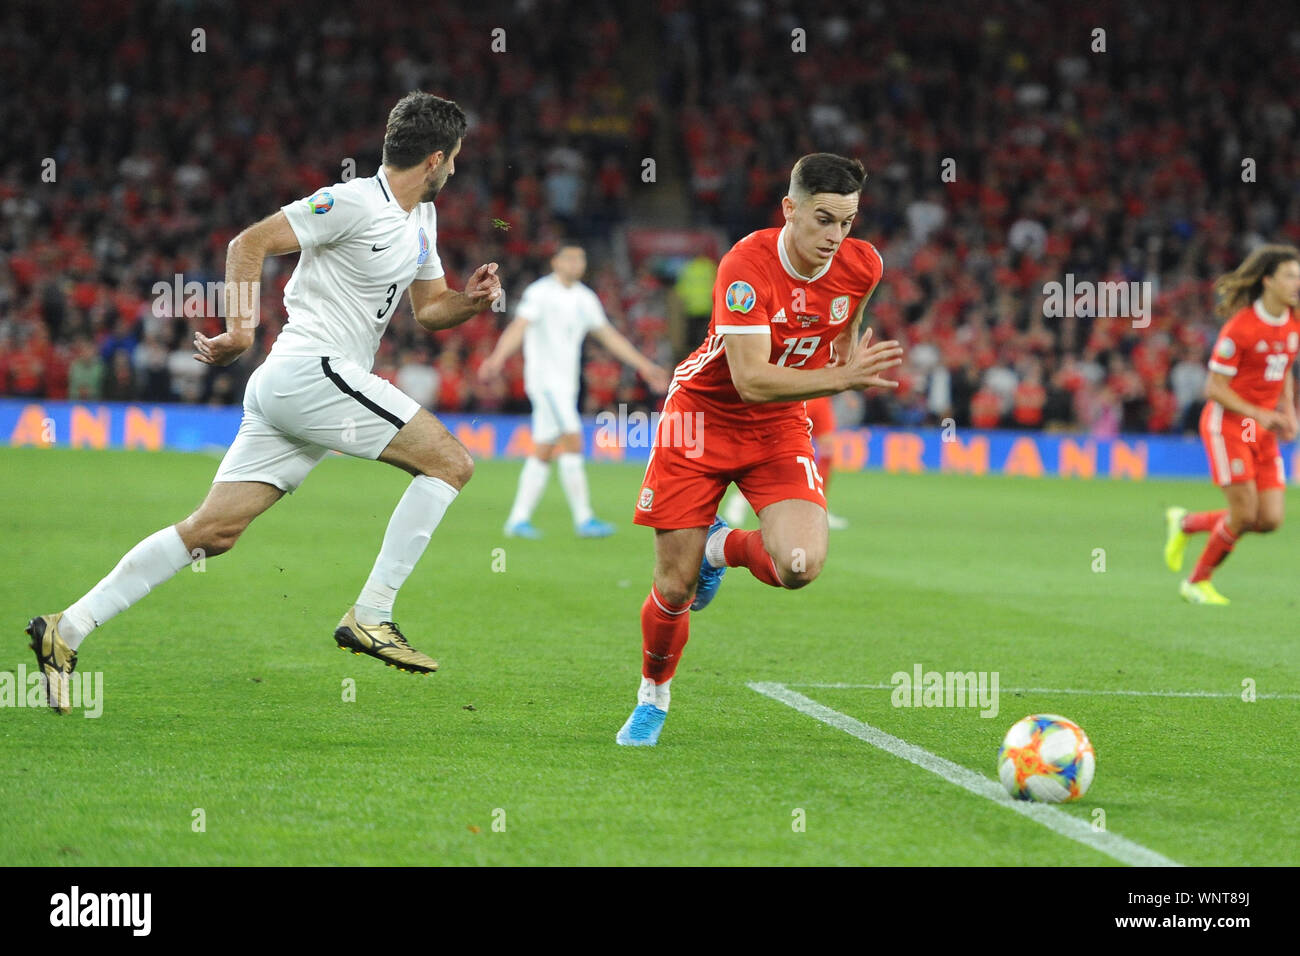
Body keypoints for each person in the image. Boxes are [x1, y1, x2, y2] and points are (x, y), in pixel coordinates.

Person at [26, 91, 503, 713]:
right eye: (455, 160)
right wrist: (243, 330)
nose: (457, 171)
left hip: (304, 389)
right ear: (435, 158)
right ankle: (372, 614)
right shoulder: (352, 201)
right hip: (312, 371)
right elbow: (247, 244)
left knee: (213, 531)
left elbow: (429, 308)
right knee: (452, 463)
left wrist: (468, 302)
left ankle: (67, 627)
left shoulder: (423, 221)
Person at [617, 153, 904, 746]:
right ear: (789, 209)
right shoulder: (746, 266)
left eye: (847, 222)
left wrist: (844, 360)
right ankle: (653, 697)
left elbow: (841, 331)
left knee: (800, 566)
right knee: (674, 587)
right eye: (823, 219)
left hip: (776, 427)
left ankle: (718, 547)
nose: (836, 237)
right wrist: (844, 379)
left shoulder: (863, 264)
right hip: (703, 415)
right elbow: (751, 380)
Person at [478, 244, 669, 538]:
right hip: (545, 381)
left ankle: (517, 520)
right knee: (573, 438)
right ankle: (584, 518)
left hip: (566, 385)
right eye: (569, 257)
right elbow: (519, 326)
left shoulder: (584, 298)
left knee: (543, 448)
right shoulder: (540, 293)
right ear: (555, 262)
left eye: (580, 258)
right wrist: (497, 358)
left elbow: (608, 335)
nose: (576, 263)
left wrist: (644, 365)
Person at [1164, 245, 1300, 605]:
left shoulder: (1294, 320)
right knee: (1243, 513)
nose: (1297, 283)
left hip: (1263, 429)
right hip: (1229, 427)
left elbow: (1283, 367)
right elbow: (1213, 388)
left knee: (1269, 520)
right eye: (1290, 275)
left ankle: (1186, 524)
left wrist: (1290, 412)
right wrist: (1257, 413)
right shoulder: (1240, 329)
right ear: (1268, 281)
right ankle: (1196, 582)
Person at [721, 395, 849, 530]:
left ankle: (820, 509)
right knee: (771, 452)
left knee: (828, 451)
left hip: (816, 394)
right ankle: (740, 499)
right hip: (791, 394)